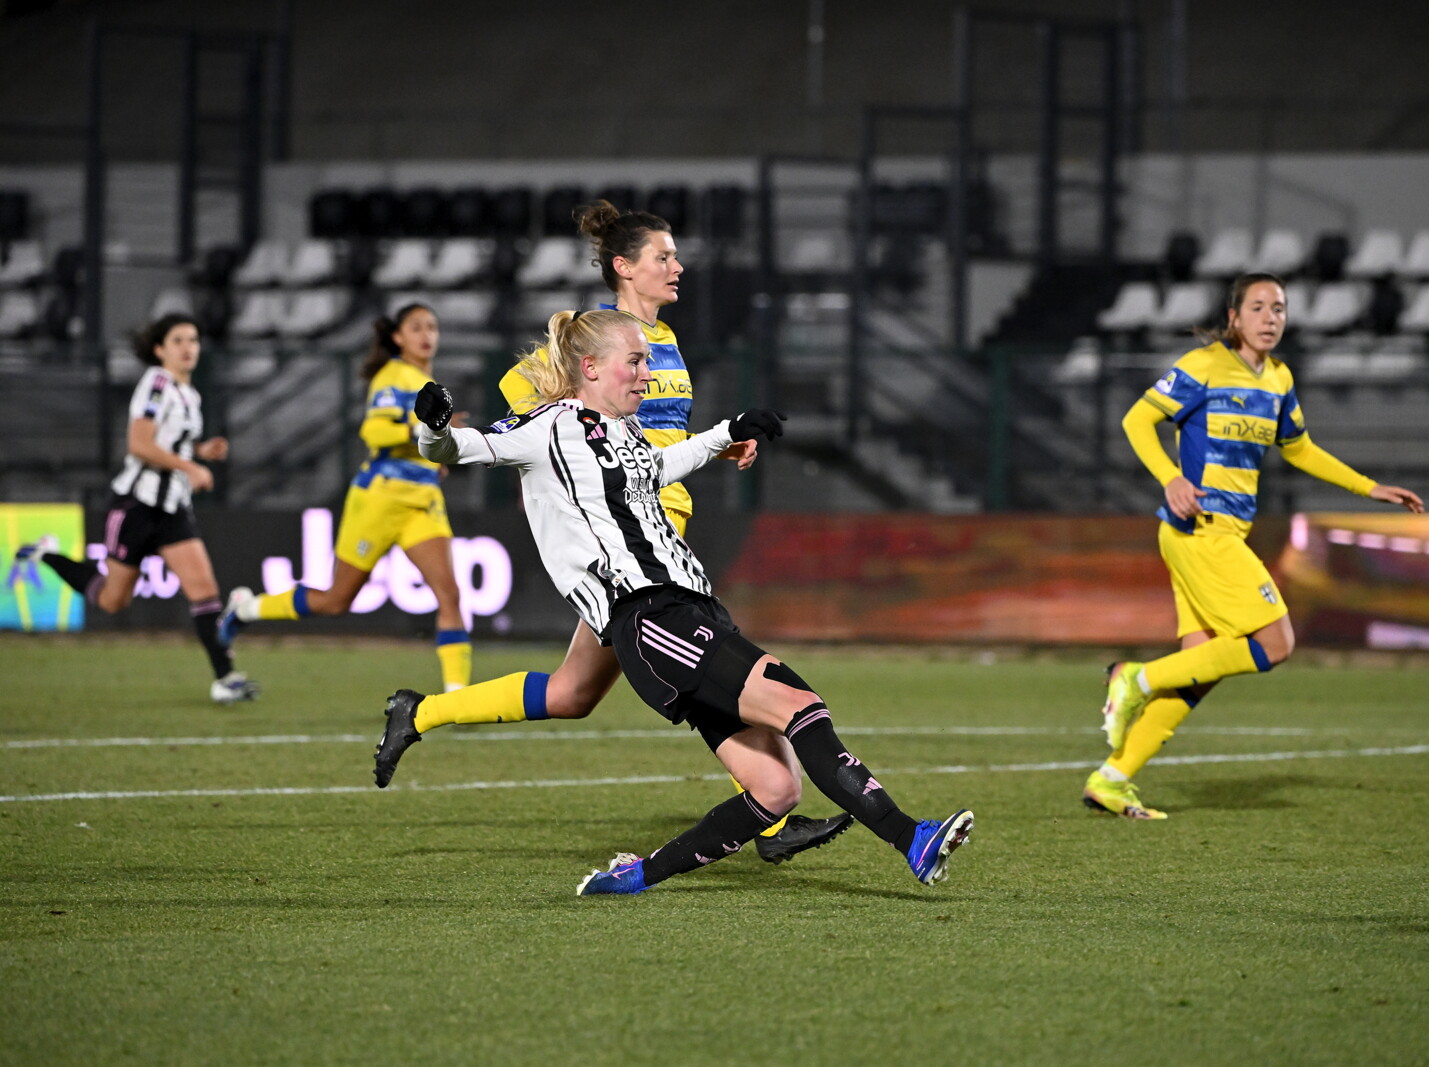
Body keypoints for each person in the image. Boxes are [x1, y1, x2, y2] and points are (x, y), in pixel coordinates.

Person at [374, 309, 974, 895]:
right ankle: (911, 839)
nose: (646, 374)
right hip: (651, 616)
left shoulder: (622, 430)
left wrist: (726, 432)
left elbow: (659, 468)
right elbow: (455, 449)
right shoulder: (545, 427)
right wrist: (434, 427)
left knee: (776, 790)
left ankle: (633, 877)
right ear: (591, 367)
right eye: (636, 362)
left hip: (691, 610)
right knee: (801, 707)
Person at [464, 199, 854, 864]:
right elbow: (522, 395)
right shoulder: (593, 338)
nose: (678, 266)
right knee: (686, 670)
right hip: (626, 539)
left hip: (667, 522)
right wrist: (554, 449)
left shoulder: (663, 340)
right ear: (624, 266)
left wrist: (720, 446)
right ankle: (770, 815)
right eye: (663, 256)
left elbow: (663, 431)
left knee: (578, 692)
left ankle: (420, 712)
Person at [1085, 272, 1426, 820]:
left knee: (1199, 670)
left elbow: (1301, 449)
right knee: (1276, 643)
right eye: (1259, 307)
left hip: (1213, 535)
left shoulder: (1279, 379)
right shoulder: (1203, 366)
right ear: (1234, 317)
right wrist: (1170, 477)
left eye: (1279, 308)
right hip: (1202, 530)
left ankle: (1112, 780)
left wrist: (1369, 488)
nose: (1271, 317)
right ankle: (1136, 677)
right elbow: (1137, 420)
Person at [216, 304, 472, 691]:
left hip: (422, 502)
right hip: (381, 500)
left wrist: (438, 453)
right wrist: (420, 430)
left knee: (449, 594)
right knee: (336, 600)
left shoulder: (426, 380)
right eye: (416, 327)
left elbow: (418, 441)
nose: (427, 335)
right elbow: (374, 432)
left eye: (432, 327)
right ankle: (247, 608)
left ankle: (457, 697)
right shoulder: (393, 375)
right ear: (397, 337)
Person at [12, 313, 258, 703]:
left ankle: (225, 679)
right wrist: (191, 468)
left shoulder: (189, 395)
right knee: (113, 600)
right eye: (178, 340)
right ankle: (47, 555)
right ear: (159, 349)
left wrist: (199, 450)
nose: (188, 347)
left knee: (205, 591)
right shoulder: (157, 384)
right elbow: (140, 445)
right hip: (136, 506)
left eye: (193, 340)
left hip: (172, 508)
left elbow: (170, 443)